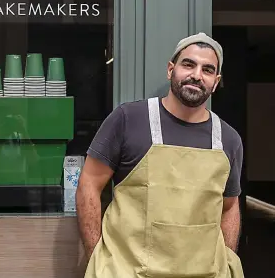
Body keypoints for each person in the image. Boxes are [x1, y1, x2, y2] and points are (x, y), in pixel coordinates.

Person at [76, 32, 244, 278]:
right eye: (188, 64)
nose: (197, 75)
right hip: (127, 271)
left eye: (207, 70)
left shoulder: (228, 140)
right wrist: (97, 258)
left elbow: (229, 206)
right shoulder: (128, 120)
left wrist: (228, 259)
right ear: (170, 69)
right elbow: (89, 184)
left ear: (215, 82)